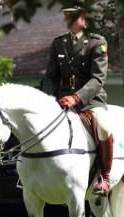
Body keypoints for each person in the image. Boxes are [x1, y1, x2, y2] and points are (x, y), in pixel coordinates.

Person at [42, 3, 111, 195]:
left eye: (73, 16)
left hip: (90, 100)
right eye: (66, 17)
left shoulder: (97, 42)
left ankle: (103, 177)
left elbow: (98, 78)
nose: (68, 21)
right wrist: (48, 100)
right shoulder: (59, 43)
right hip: (61, 98)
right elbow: (50, 76)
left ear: (84, 19)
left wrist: (76, 97)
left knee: (103, 128)